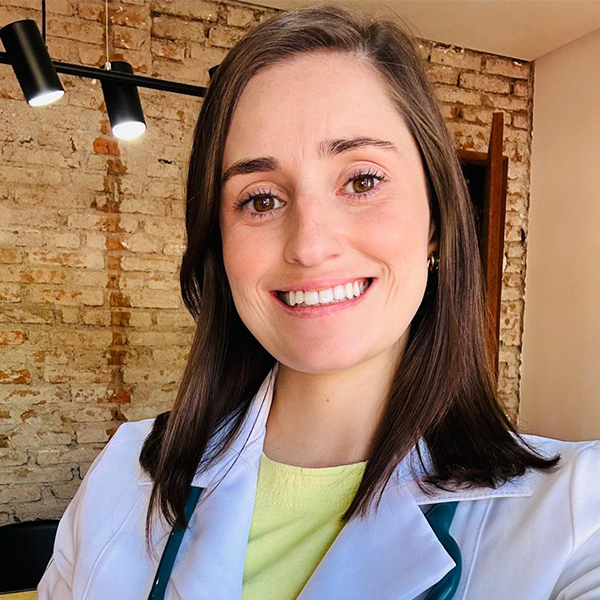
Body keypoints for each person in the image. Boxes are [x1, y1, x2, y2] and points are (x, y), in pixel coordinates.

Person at [38, 4, 600, 600]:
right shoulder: (123, 477)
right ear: (219, 242)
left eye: (362, 180)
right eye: (260, 199)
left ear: (435, 219)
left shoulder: (577, 514)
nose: (308, 245)